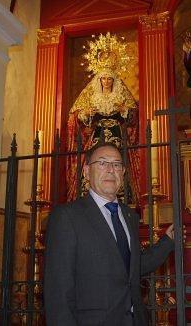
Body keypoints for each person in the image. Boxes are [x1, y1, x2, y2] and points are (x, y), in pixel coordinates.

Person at [44, 142, 175, 325]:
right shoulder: (67, 216)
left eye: (116, 164)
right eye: (103, 163)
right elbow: (58, 291)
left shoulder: (129, 216)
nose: (110, 169)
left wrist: (167, 242)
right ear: (86, 172)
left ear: (123, 173)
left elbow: (130, 268)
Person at [67, 33, 138, 201]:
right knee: (96, 161)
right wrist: (86, 114)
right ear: (99, 80)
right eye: (104, 79)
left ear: (114, 80)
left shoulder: (122, 94)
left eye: (109, 79)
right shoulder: (91, 95)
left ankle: (122, 195)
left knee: (117, 162)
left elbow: (134, 117)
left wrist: (124, 111)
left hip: (117, 134)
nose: (106, 81)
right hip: (97, 135)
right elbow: (75, 117)